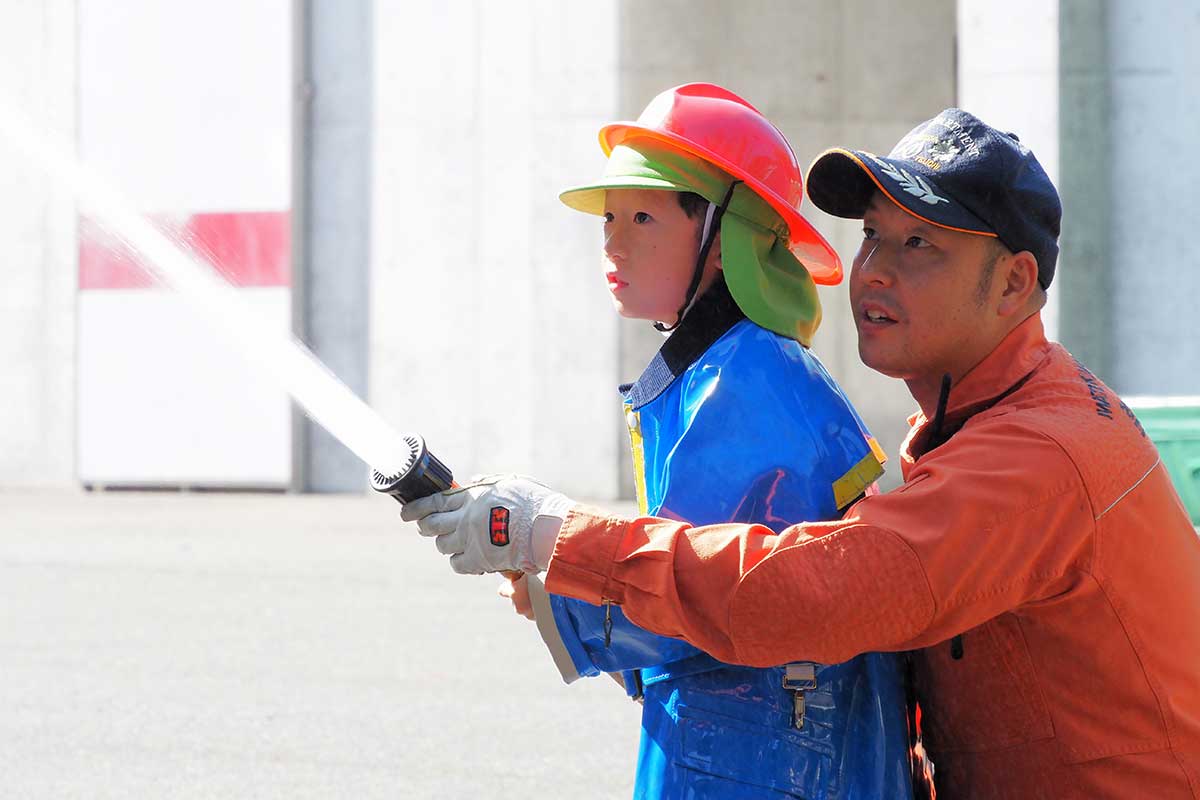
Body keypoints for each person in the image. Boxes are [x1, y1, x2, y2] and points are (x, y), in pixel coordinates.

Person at [404, 108, 1200, 799]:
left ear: (1015, 283)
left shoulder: (1034, 457)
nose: (875, 272)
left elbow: (804, 596)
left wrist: (554, 537)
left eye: (920, 244)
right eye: (873, 238)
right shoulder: (980, 419)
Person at [410, 83, 914, 799]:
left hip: (770, 760)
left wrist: (546, 576)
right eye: (609, 216)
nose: (613, 238)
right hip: (758, 744)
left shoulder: (747, 382)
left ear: (725, 235)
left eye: (643, 214)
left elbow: (708, 594)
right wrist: (544, 571)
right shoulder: (725, 365)